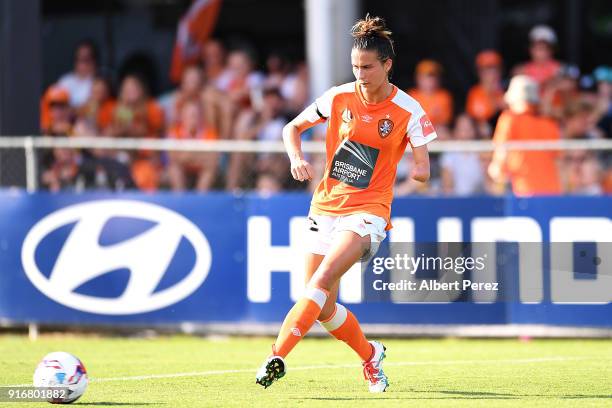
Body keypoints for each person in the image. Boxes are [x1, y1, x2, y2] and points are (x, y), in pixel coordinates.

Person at [255, 15, 436, 392]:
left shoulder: (409, 110)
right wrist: (295, 158)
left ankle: (278, 355)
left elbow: (423, 166)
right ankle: (370, 355)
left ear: (387, 65)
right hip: (325, 207)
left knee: (320, 281)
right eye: (356, 67)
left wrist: (412, 173)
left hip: (369, 212)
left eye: (368, 67)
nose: (361, 74)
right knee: (321, 306)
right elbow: (292, 128)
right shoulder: (339, 96)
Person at [488, 75, 562, 196]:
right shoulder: (550, 124)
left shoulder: (509, 119)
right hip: (552, 192)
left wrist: (497, 175)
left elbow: (500, 155)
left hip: (524, 192)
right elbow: (559, 162)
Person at [465, 50, 505, 136]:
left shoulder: (506, 90)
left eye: (495, 69)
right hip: (479, 138)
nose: (492, 74)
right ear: (480, 72)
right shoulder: (474, 92)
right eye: (487, 69)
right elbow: (474, 119)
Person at [408, 59, 453, 128]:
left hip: (436, 132)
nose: (432, 81)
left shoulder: (444, 96)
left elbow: (444, 122)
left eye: (435, 77)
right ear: (418, 78)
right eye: (428, 77)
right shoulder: (411, 96)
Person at [57, 40, 98, 108]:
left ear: (94, 61)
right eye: (79, 59)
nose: (83, 64)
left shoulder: (98, 82)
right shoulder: (65, 80)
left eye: (86, 59)